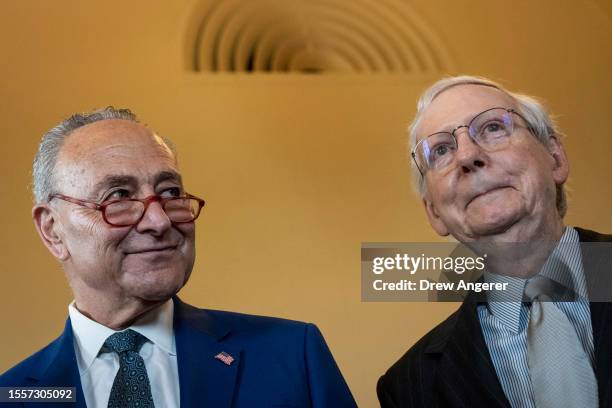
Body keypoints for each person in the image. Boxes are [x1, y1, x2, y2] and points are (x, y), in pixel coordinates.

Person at [0, 107, 357, 408]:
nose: (160, 220)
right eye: (119, 196)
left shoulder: (292, 355)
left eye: (170, 192)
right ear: (52, 229)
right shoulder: (13, 395)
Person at [377, 76, 612, 407]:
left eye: (492, 127)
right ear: (434, 213)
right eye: (442, 150)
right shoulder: (409, 387)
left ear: (555, 158)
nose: (468, 156)